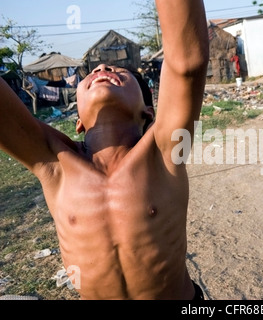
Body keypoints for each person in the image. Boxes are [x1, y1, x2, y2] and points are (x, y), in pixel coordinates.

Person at [0, 0, 209, 300]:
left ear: (148, 112)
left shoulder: (164, 151)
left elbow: (188, 64)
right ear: (79, 122)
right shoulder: (53, 162)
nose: (102, 67)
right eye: (92, 72)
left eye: (123, 72)